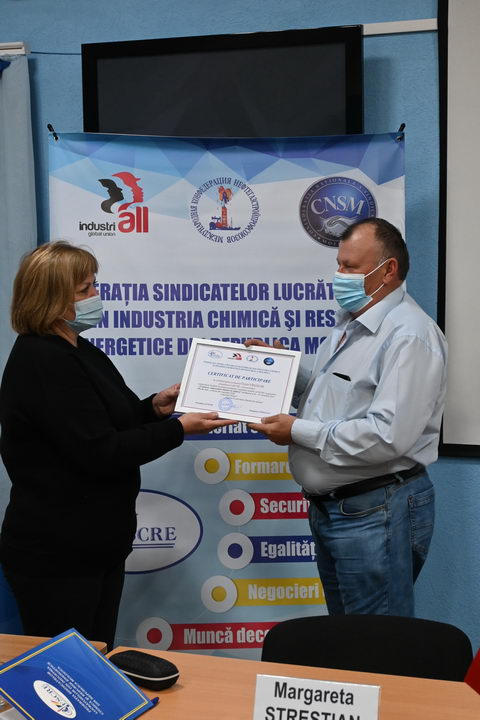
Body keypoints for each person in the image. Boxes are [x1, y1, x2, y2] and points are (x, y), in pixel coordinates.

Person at [0, 241, 235, 650]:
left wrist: (155, 408)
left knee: (96, 658)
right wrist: (179, 430)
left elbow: (105, 421)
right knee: (68, 670)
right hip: (59, 552)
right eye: (85, 289)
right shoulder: (44, 360)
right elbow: (100, 450)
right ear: (52, 299)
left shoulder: (78, 349)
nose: (96, 296)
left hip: (95, 544)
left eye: (94, 284)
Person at [247, 218, 447, 616]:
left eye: (350, 267)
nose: (339, 275)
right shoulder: (351, 323)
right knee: (347, 638)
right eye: (339, 264)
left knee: (375, 641)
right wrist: (282, 373)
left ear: (388, 270)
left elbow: (387, 436)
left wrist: (296, 431)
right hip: (338, 510)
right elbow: (338, 400)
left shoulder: (409, 336)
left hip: (375, 510)